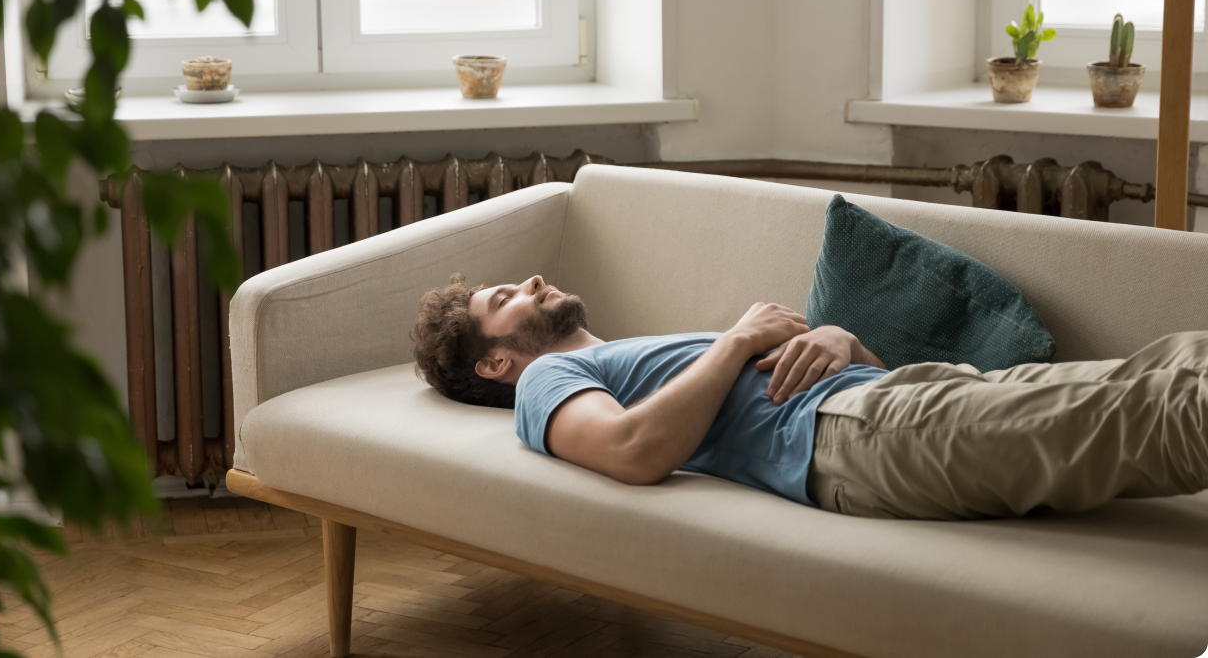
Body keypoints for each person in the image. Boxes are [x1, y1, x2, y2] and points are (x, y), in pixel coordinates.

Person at [411, 274, 1208, 521]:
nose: (533, 282)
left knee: (1168, 368)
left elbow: (867, 377)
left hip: (890, 398)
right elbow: (634, 452)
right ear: (497, 364)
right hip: (850, 437)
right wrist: (734, 340)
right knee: (1153, 416)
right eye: (507, 297)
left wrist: (840, 341)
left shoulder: (624, 353)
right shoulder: (546, 383)